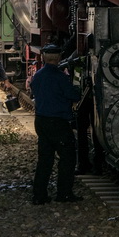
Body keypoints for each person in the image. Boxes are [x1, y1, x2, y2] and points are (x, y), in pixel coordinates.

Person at [28, 44, 84, 205]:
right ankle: (64, 193)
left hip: (41, 121)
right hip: (58, 122)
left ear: (43, 57)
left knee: (45, 159)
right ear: (59, 58)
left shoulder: (37, 75)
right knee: (67, 157)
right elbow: (74, 95)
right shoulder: (60, 77)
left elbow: (34, 91)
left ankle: (39, 195)